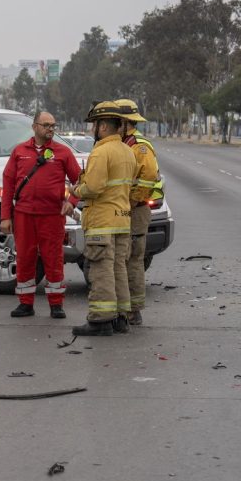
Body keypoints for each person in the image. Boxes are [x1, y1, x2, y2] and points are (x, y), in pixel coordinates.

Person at [1, 110, 82, 319]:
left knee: (53, 259)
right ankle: (25, 303)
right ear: (35, 126)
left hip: (52, 216)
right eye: (46, 125)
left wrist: (71, 202)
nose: (50, 129)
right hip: (24, 215)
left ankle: (56, 304)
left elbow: (80, 182)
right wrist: (5, 217)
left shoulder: (63, 153)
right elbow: (8, 184)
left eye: (53, 125)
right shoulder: (19, 151)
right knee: (25, 258)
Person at [70, 101, 137, 336]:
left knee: (101, 270)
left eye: (94, 126)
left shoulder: (101, 151)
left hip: (102, 220)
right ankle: (120, 317)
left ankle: (100, 320)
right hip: (122, 219)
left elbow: (94, 187)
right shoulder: (127, 151)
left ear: (104, 127)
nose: (92, 130)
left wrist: (75, 189)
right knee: (119, 268)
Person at [115, 99, 163, 326]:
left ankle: (133, 310)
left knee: (132, 260)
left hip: (135, 211)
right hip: (122, 210)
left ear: (125, 122)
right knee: (121, 259)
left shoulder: (139, 146)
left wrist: (130, 201)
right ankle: (124, 307)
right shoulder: (123, 142)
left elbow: (148, 178)